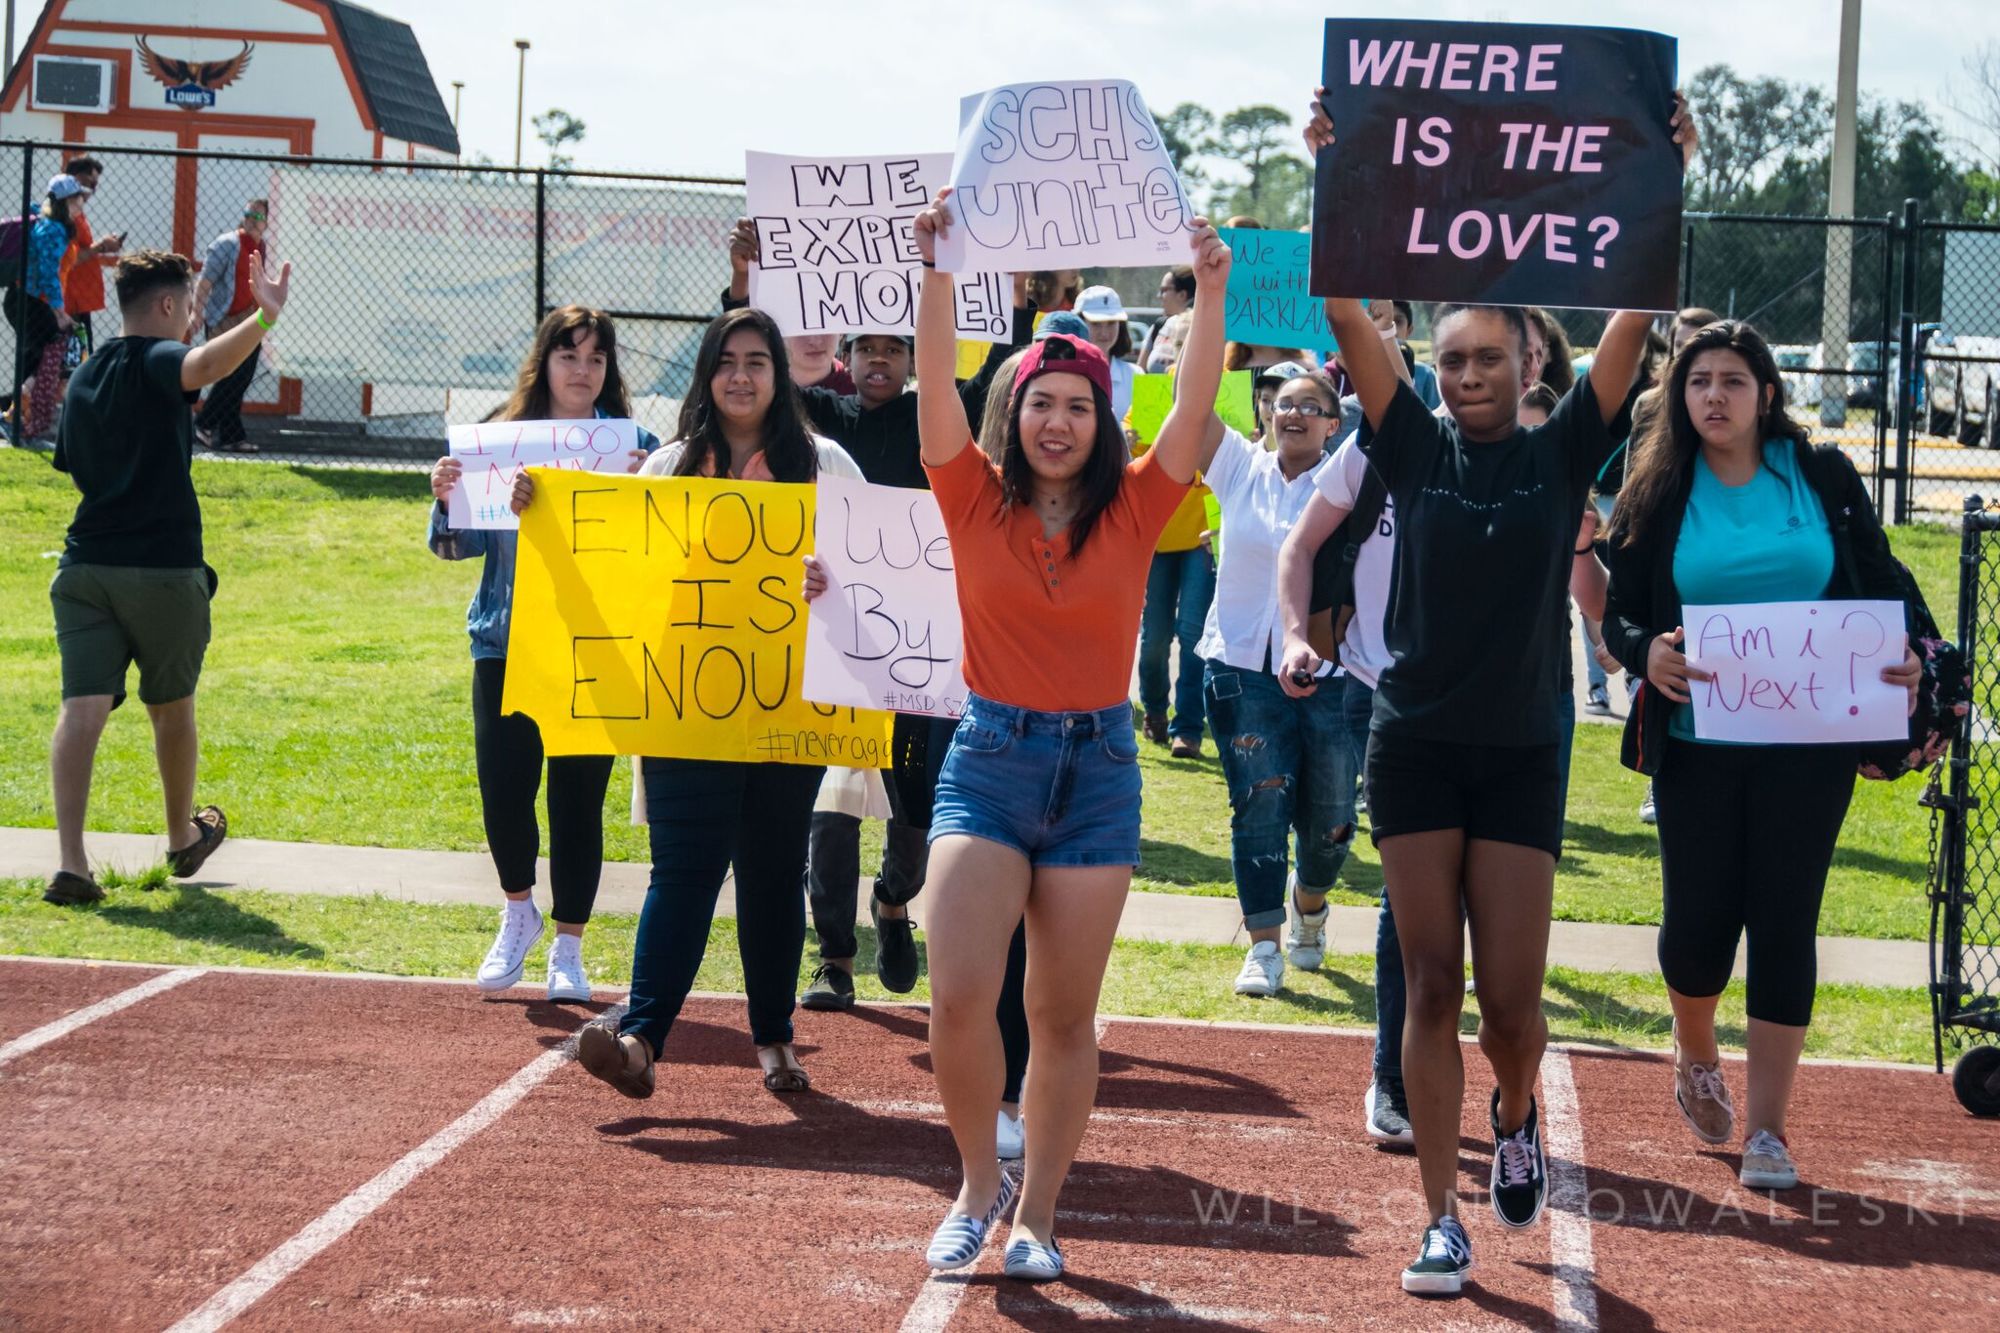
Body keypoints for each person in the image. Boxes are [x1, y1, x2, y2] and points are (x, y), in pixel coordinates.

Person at [1281, 88, 1692, 1298]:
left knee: (1511, 1004)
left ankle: (1514, 1106)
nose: (1462, 373)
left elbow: (1632, 313)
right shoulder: (1405, 440)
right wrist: (1329, 166)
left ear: (1524, 365)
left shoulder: (1563, 446)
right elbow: (1346, 306)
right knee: (1425, 976)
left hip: (1518, 749)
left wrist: (1662, 173)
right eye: (1447, 357)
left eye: (1482, 358)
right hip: (1410, 746)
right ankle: (1440, 1215)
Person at [911, 187, 1225, 1282]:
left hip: (1097, 770)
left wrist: (1212, 285)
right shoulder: (969, 496)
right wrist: (938, 270)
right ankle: (972, 1182)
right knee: (957, 996)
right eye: (1039, 402)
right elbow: (935, 392)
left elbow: (1191, 410)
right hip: (988, 762)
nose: (1055, 420)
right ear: (1014, 412)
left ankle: (1039, 1210)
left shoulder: (1138, 505)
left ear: (1101, 422)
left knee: (1060, 1014)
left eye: (1076, 406)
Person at [1602, 319, 1919, 1194]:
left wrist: (1905, 655)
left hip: (1809, 745)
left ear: (1767, 393)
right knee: (1697, 928)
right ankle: (1695, 1049)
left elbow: (1880, 578)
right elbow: (1618, 613)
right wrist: (1646, 653)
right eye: (1699, 380)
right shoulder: (1657, 490)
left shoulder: (1819, 475)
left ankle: (1772, 1128)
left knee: (1785, 919)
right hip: (1699, 744)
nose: (1715, 396)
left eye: (1734, 381)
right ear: (1679, 393)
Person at [520, 306, 861, 1098]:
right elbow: (616, 573)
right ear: (706, 374)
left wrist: (830, 582)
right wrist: (539, 511)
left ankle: (774, 1040)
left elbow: (867, 580)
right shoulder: (667, 466)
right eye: (725, 361)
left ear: (780, 376)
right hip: (683, 705)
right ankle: (639, 1039)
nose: (740, 376)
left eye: (757, 361)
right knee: (684, 870)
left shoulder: (827, 465)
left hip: (788, 707)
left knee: (774, 873)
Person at [721, 221, 1033, 1011]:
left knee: (917, 809)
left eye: (895, 348)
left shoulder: (942, 411)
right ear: (846, 358)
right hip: (833, 640)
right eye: (867, 349)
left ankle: (893, 901)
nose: (880, 362)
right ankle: (833, 958)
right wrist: (747, 281)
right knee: (831, 803)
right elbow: (745, 373)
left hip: (919, 649)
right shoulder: (817, 418)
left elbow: (1003, 375)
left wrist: (1016, 299)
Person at [43, 247, 292, 906]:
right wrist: (263, 319)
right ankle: (182, 836)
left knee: (82, 708)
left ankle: (71, 861)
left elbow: (75, 464)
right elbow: (202, 364)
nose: (191, 318)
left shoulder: (86, 376)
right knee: (171, 709)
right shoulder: (157, 359)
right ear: (164, 306)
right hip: (160, 570)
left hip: (83, 569)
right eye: (188, 306)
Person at [426, 307, 657, 1002]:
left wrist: (650, 493)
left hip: (593, 645)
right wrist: (446, 497)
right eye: (569, 354)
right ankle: (518, 909)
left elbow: (659, 555)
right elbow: (450, 546)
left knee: (579, 801)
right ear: (544, 361)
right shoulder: (499, 438)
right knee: (504, 789)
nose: (582, 369)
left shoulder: (636, 446)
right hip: (504, 641)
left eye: (595, 357)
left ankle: (570, 945)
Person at [1194, 366, 1356, 998]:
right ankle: (1264, 946)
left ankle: (1308, 907)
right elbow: (1191, 398)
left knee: (1332, 820)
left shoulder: (1348, 482)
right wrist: (1211, 302)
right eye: (1283, 403)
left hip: (1331, 677)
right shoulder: (1239, 467)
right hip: (1238, 670)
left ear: (1333, 425)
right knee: (1259, 806)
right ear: (1266, 413)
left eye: (1310, 407)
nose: (1293, 414)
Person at [192, 199, 273, 454]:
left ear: (267, 222)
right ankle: (203, 424)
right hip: (224, 320)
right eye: (249, 214)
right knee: (231, 375)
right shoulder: (227, 244)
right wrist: (197, 312)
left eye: (258, 216)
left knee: (242, 377)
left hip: (249, 319)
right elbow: (205, 281)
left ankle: (229, 435)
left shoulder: (261, 247)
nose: (252, 219)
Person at [10, 175, 81, 442]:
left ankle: (20, 417)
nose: (82, 201)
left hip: (27, 300)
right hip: (33, 301)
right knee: (48, 355)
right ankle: (25, 416)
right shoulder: (53, 229)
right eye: (78, 196)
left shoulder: (45, 222)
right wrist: (59, 312)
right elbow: (48, 273)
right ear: (67, 201)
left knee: (37, 358)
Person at [60, 156, 123, 367]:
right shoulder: (64, 215)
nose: (93, 191)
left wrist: (102, 245)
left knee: (77, 361)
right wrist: (101, 246)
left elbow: (78, 250)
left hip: (77, 301)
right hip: (68, 303)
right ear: (77, 178)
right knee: (74, 363)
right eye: (91, 183)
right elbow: (68, 259)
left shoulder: (76, 213)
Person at [1074, 285, 1138, 419]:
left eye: (1111, 323)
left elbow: (1146, 433)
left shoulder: (1136, 375)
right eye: (1096, 324)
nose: (1104, 332)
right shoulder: (1063, 374)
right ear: (1078, 323)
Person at [1142, 266, 1195, 372]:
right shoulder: (1159, 326)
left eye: (1164, 290)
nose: (1159, 296)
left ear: (1182, 295)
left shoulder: (1204, 330)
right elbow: (1140, 371)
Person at [1392, 301, 1441, 410]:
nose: (1391, 330)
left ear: (1409, 330)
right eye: (1384, 322)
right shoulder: (1361, 372)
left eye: (1398, 321)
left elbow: (1435, 419)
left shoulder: (1425, 375)